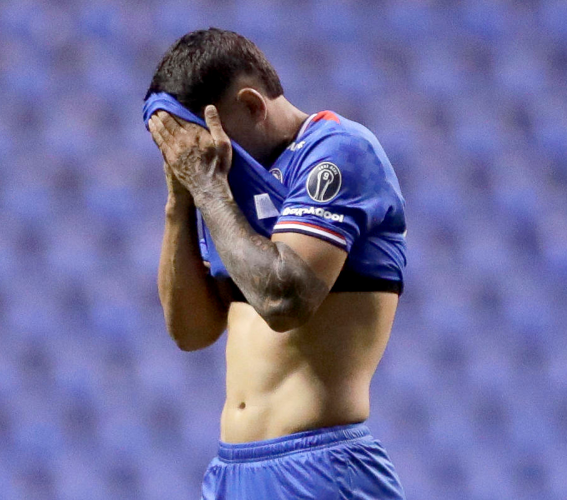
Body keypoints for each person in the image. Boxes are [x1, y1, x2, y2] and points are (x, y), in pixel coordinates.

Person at [144, 28, 407, 499]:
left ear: (252, 105)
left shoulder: (338, 151)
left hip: (321, 469)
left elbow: (283, 298)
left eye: (196, 141)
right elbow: (192, 331)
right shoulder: (225, 188)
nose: (192, 158)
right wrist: (180, 200)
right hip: (231, 470)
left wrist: (208, 190)